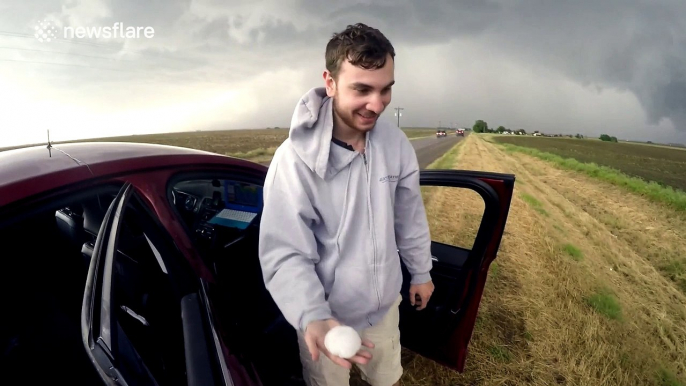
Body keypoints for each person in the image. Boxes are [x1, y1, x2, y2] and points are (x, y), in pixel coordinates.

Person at [258, 22, 434, 386]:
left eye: (386, 90)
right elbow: (285, 252)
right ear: (331, 82)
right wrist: (313, 316)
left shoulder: (395, 143)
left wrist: (420, 272)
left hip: (384, 310)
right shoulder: (293, 161)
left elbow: (409, 216)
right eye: (362, 90)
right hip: (326, 319)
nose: (377, 104)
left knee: (385, 380)